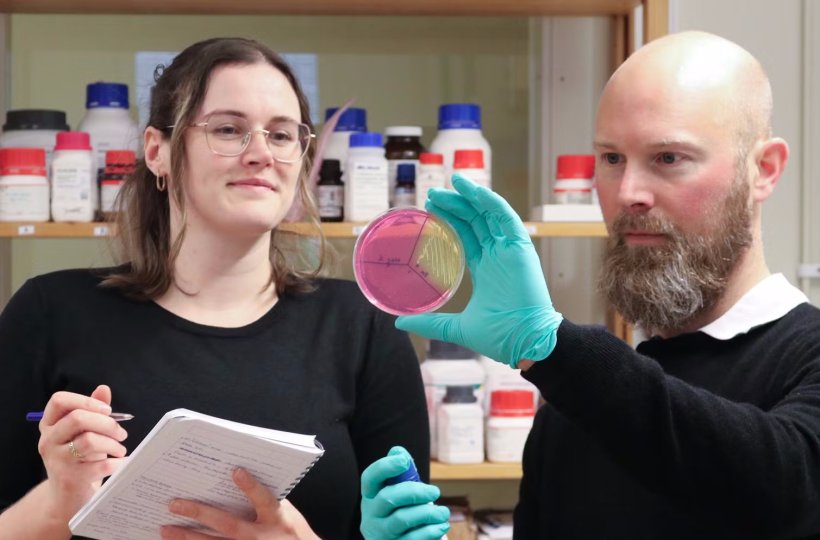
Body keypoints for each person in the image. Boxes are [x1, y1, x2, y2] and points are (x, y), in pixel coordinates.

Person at [361, 30, 820, 539]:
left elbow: (785, 486)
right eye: (611, 158)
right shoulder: (574, 409)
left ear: (764, 169)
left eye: (669, 158)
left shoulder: (805, 358)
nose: (628, 193)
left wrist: (551, 350)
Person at [0, 37, 429, 539]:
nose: (261, 154)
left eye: (283, 135)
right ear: (157, 150)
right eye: (229, 129)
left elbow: (408, 525)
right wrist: (60, 501)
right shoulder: (50, 312)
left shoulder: (364, 326)